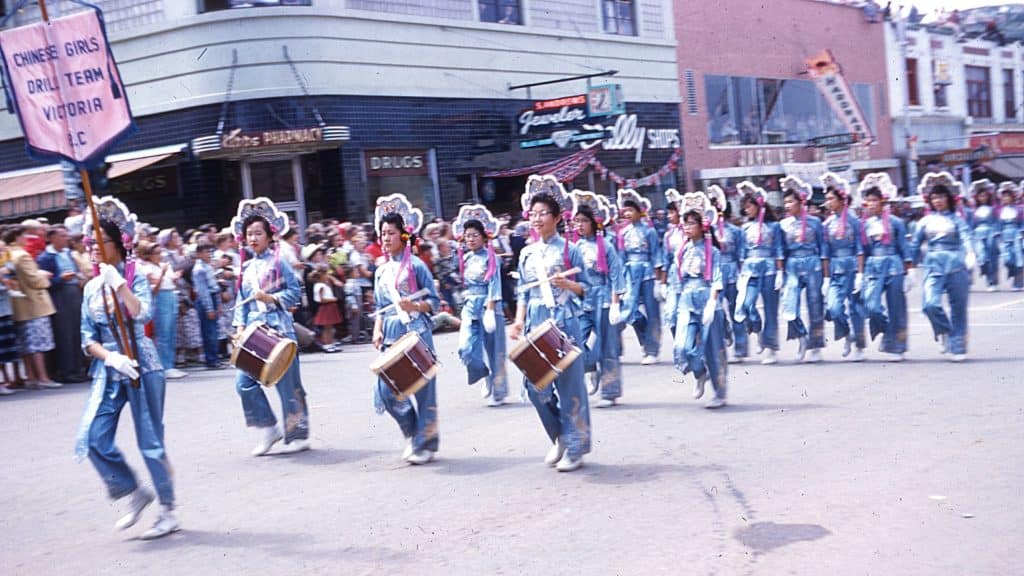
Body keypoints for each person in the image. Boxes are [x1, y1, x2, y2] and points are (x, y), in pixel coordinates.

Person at [74, 196, 179, 540]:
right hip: (111, 369)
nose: (91, 248)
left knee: (150, 441)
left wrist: (118, 283)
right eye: (88, 243)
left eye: (98, 242)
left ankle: (167, 510)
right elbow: (87, 338)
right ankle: (134, 491)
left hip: (142, 366)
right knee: (92, 438)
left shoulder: (132, 277)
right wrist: (110, 357)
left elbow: (142, 314)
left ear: (118, 245)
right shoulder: (90, 288)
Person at [510, 175, 591, 472]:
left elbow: (588, 288)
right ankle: (558, 435)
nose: (537, 218)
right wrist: (518, 323)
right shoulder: (527, 253)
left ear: (557, 217)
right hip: (535, 322)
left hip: (564, 322)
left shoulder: (571, 249)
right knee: (536, 388)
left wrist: (568, 285)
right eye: (533, 213)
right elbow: (523, 291)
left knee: (570, 388)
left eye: (543, 213)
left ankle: (575, 447)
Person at [231, 198, 311, 455]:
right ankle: (269, 428)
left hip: (280, 329)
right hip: (255, 332)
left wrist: (273, 298)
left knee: (288, 384)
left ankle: (298, 434)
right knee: (244, 382)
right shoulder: (244, 268)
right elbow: (240, 302)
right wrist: (240, 327)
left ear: (269, 236)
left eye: (258, 233)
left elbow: (295, 291)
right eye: (249, 234)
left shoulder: (279, 262)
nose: (253, 238)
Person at [371, 193, 440, 465]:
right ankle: (413, 432)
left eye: (391, 233)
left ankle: (426, 443)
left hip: (415, 332)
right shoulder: (380, 271)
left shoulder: (417, 265)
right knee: (387, 392)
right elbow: (380, 306)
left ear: (403, 235)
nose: (386, 238)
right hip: (389, 332)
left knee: (422, 390)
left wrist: (415, 306)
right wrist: (377, 329)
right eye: (383, 233)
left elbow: (434, 302)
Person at [910, 172, 976, 362]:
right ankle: (944, 331)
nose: (937, 200)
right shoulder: (924, 222)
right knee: (930, 304)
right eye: (934, 197)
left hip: (956, 264)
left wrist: (970, 253)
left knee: (959, 307)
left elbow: (966, 237)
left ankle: (958, 347)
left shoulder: (957, 220)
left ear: (949, 198)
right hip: (933, 265)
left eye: (941, 196)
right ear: (929, 200)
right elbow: (914, 245)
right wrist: (910, 268)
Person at [670, 194, 727, 408]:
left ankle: (720, 393)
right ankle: (699, 372)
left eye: (691, 222)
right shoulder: (681, 251)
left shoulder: (712, 251)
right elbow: (676, 280)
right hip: (686, 299)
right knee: (682, 346)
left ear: (702, 225)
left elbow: (718, 277)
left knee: (713, 349)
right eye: (685, 222)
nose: (686, 226)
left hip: (706, 298)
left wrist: (713, 302)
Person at [570, 190, 625, 408]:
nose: (579, 225)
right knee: (576, 343)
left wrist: (615, 303)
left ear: (595, 223)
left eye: (584, 221)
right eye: (577, 221)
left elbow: (615, 275)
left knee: (607, 346)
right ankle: (590, 367)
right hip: (582, 299)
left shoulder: (607, 246)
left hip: (603, 298)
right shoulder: (575, 247)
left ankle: (609, 392)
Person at [453, 204, 508, 407]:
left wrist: (491, 310)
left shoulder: (492, 257)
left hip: (488, 304)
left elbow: (495, 284)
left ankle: (498, 391)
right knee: (465, 347)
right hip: (470, 305)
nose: (470, 239)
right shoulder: (465, 258)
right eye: (467, 236)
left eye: (475, 235)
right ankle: (482, 372)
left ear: (484, 237)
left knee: (495, 350)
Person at [858, 173, 913, 361]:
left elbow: (904, 248)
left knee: (896, 307)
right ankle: (887, 329)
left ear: (883, 201)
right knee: (871, 305)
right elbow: (863, 250)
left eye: (874, 200)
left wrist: (910, 271)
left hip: (894, 266)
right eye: (868, 201)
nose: (871, 204)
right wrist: (860, 273)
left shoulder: (896, 223)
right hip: (873, 267)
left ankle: (897, 346)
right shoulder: (864, 225)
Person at [778, 176, 828, 363]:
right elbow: (779, 251)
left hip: (813, 264)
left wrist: (826, 275)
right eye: (785, 202)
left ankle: (816, 345)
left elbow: (823, 248)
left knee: (815, 305)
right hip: (792, 265)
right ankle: (801, 338)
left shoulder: (816, 223)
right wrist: (779, 272)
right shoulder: (782, 225)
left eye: (791, 201)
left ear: (801, 202)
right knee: (789, 306)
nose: (787, 205)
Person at [734, 181, 783, 365]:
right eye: (744, 207)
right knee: (746, 304)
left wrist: (780, 272)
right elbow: (741, 252)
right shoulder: (744, 228)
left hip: (769, 268)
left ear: (759, 205)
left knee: (771, 309)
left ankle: (770, 348)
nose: (746, 210)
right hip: (749, 269)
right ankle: (758, 329)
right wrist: (740, 273)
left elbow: (778, 249)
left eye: (749, 206)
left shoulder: (774, 226)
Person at [820, 173, 866, 361]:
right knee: (834, 308)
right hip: (836, 271)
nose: (828, 202)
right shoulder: (827, 224)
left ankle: (859, 346)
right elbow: (825, 253)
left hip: (853, 268)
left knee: (856, 308)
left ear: (841, 199)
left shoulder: (855, 222)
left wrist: (860, 275)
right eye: (827, 198)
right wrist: (826, 278)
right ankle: (847, 334)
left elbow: (860, 249)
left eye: (831, 198)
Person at [5, 225, 58, 388]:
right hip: (33, 303)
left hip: (19, 304)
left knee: (26, 345)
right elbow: (33, 279)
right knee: (38, 345)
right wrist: (45, 277)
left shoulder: (9, 254)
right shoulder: (22, 255)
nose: (27, 239)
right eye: (24, 236)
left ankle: (32, 376)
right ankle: (43, 377)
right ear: (17, 237)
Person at [616, 188, 663, 365]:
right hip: (629, 273)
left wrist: (659, 281)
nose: (627, 213)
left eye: (631, 210)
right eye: (625, 210)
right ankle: (645, 338)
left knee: (652, 312)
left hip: (648, 273)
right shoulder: (623, 232)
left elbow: (656, 255)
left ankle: (652, 349)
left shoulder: (649, 231)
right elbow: (620, 257)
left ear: (639, 211)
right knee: (629, 310)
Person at [37, 225, 89, 382]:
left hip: (74, 292)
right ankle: (67, 371)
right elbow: (46, 282)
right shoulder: (45, 258)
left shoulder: (68, 254)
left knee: (77, 331)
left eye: (66, 236)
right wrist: (61, 279)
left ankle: (79, 368)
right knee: (64, 334)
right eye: (61, 236)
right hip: (60, 295)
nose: (66, 239)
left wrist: (79, 278)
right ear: (52, 238)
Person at [706, 185, 746, 363]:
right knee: (716, 311)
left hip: (732, 273)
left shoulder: (736, 231)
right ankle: (724, 335)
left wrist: (743, 276)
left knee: (735, 310)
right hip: (714, 274)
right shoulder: (707, 232)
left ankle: (740, 348)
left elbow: (740, 255)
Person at [136, 242, 187, 379]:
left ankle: (170, 364)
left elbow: (171, 282)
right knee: (163, 333)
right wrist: (163, 273)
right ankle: (164, 366)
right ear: (149, 255)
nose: (160, 256)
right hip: (160, 298)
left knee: (171, 332)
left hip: (171, 295)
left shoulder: (164, 265)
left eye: (161, 253)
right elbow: (153, 289)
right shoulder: (146, 268)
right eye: (157, 253)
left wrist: (174, 278)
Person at [660, 190, 687, 341]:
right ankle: (680, 343)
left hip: (689, 277)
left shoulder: (690, 232)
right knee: (670, 314)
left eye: (671, 212)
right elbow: (666, 259)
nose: (669, 216)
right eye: (668, 213)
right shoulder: (668, 235)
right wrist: (662, 283)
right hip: (673, 278)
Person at [192, 243, 223, 369]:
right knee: (209, 332)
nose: (209, 254)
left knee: (214, 330)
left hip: (213, 297)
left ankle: (214, 357)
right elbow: (203, 290)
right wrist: (209, 308)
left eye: (210, 252)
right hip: (206, 300)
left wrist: (218, 304)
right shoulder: (199, 269)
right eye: (206, 252)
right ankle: (211, 359)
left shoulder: (208, 266)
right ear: (199, 254)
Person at [968, 180, 1000, 291]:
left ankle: (991, 281)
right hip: (977, 236)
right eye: (980, 196)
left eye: (985, 195)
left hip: (990, 234)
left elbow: (997, 222)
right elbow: (971, 225)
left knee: (992, 259)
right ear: (977, 197)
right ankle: (985, 273)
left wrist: (996, 232)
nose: (983, 197)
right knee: (982, 258)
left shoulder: (993, 209)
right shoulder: (974, 211)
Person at [997, 182, 1024, 290]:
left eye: (1007, 196)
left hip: (1016, 235)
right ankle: (1012, 273)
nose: (1005, 198)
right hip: (1004, 236)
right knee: (1007, 260)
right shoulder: (1000, 210)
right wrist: (997, 233)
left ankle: (1017, 283)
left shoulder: (1019, 209)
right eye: (1004, 196)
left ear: (1012, 197)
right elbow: (998, 224)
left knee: (1019, 260)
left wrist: (1022, 232)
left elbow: (1022, 222)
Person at [310, 268, 342, 352]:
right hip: (326, 307)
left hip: (330, 307)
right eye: (326, 274)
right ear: (321, 276)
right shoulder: (320, 286)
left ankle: (331, 343)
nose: (328, 276)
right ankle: (327, 344)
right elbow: (321, 299)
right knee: (326, 328)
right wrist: (333, 299)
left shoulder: (324, 284)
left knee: (330, 327)